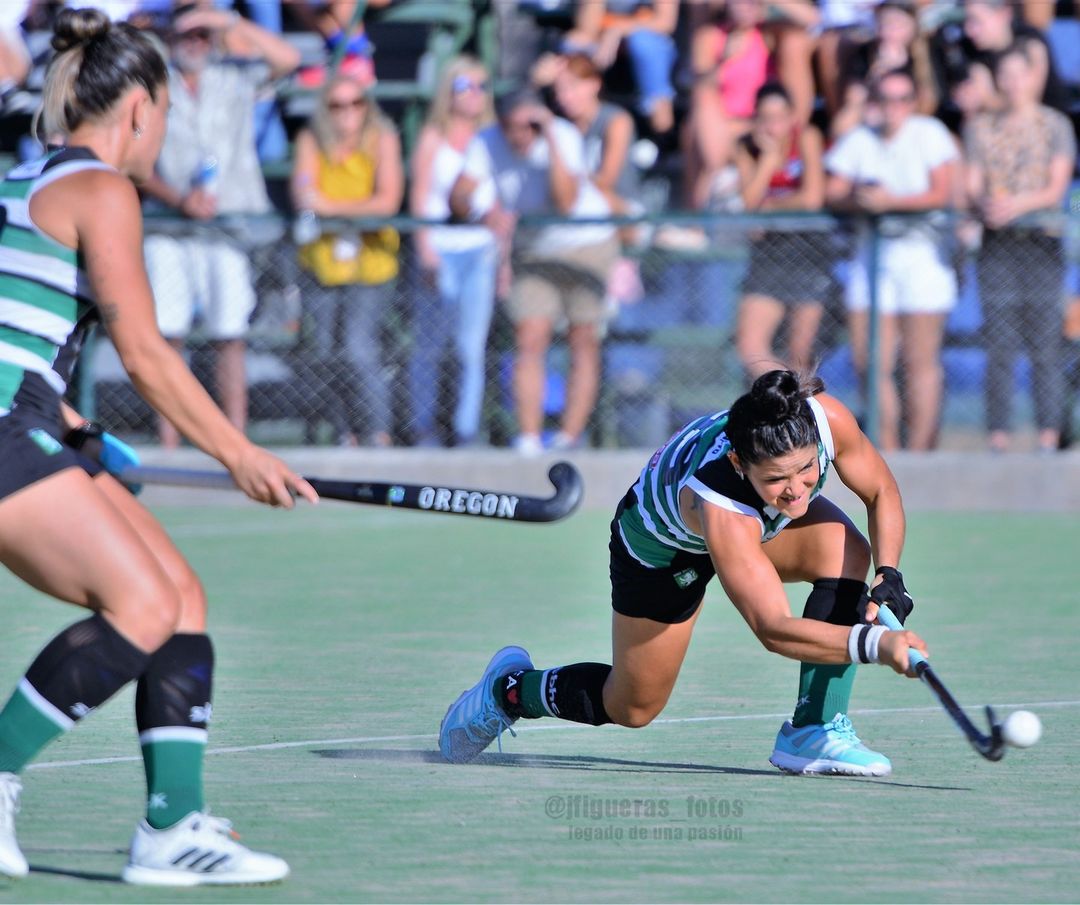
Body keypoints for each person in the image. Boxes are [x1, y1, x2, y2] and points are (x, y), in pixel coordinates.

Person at [0, 7, 316, 885]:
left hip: (22, 414)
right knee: (140, 602)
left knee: (179, 599)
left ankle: (172, 828)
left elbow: (17, 329)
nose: (162, 135)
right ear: (139, 108)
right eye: (166, 116)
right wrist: (238, 453)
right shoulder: (103, 189)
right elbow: (142, 351)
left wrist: (69, 427)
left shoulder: (28, 181)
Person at [439, 369, 928, 777]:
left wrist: (889, 574)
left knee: (846, 550)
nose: (798, 491)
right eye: (776, 479)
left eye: (805, 470)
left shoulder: (826, 420)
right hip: (661, 550)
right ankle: (510, 692)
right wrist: (877, 646)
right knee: (633, 706)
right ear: (739, 462)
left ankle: (813, 730)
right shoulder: (718, 501)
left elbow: (881, 491)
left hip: (752, 525)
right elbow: (772, 628)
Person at [139, 3, 300, 448]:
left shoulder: (233, 76)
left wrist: (225, 21)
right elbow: (133, 162)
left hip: (229, 225)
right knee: (167, 336)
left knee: (230, 333)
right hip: (169, 226)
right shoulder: (151, 82)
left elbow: (288, 59)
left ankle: (235, 438)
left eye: (201, 35)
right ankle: (169, 441)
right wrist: (179, 200)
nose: (195, 42)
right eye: (187, 34)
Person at [449, 88, 620, 455]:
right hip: (533, 250)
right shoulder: (485, 142)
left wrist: (552, 140)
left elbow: (566, 201)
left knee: (583, 338)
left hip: (586, 245)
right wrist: (482, 213)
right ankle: (528, 437)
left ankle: (569, 437)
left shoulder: (564, 136)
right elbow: (459, 196)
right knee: (529, 337)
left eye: (531, 126)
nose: (522, 134)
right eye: (515, 126)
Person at [825, 68, 958, 451]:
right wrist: (859, 199)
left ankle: (919, 451)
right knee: (870, 361)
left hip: (922, 258)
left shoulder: (929, 134)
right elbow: (833, 190)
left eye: (901, 99)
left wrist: (889, 203)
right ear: (873, 103)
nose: (893, 108)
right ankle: (886, 448)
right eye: (884, 99)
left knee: (920, 361)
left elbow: (941, 193)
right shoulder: (859, 140)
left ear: (913, 103)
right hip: (871, 258)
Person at [964, 43, 1075, 453]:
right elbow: (972, 183)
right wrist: (985, 205)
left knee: (1046, 344)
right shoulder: (981, 127)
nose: (1012, 83)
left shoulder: (1055, 125)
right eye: (1004, 74)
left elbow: (1056, 186)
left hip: (1041, 245)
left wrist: (1017, 206)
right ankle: (999, 436)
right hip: (997, 248)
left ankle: (1049, 434)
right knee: (1000, 346)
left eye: (1019, 73)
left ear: (1033, 76)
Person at [291, 70, 404, 448]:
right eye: (336, 104)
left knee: (357, 347)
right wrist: (352, 209)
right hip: (323, 262)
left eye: (355, 103)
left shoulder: (381, 139)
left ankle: (378, 431)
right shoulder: (311, 140)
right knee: (325, 351)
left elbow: (386, 202)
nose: (346, 112)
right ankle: (345, 432)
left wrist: (332, 208)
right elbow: (305, 197)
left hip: (370, 263)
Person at [407, 55, 497, 448]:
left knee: (470, 346)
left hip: (480, 251)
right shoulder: (433, 137)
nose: (474, 94)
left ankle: (465, 427)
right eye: (465, 86)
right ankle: (422, 424)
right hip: (441, 249)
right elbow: (421, 195)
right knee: (430, 344)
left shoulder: (493, 137)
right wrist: (425, 249)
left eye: (481, 85)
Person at [733, 82, 828, 380]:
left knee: (800, 352)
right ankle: (786, 393)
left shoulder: (808, 137)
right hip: (768, 253)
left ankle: (802, 416)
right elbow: (748, 205)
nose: (773, 126)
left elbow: (812, 198)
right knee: (749, 346)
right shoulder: (746, 147)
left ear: (791, 118)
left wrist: (768, 207)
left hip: (809, 250)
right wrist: (769, 162)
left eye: (779, 117)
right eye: (765, 117)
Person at [563, 0, 679, 136]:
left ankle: (662, 129)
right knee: (572, 43)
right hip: (604, 42)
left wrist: (618, 30)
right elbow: (587, 28)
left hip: (648, 43)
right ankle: (578, 122)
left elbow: (665, 22)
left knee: (644, 45)